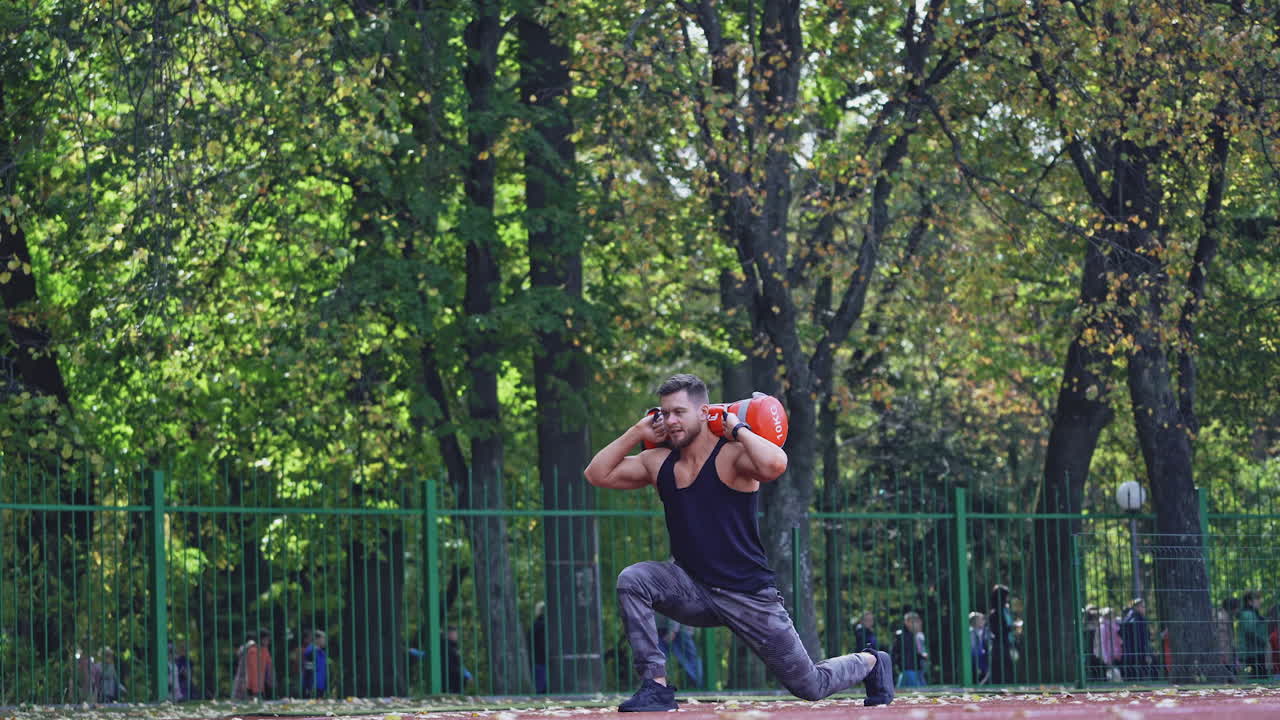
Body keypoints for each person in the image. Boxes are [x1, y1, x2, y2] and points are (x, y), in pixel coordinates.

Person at [584, 374, 893, 711]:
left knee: (810, 685)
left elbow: (776, 463)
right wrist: (636, 433)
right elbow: (596, 474)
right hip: (692, 588)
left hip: (748, 595)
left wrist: (737, 429)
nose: (671, 421)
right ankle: (655, 687)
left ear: (704, 412)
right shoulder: (657, 463)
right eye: (665, 413)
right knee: (634, 579)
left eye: (679, 412)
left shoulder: (731, 455)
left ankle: (871, 662)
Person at [658, 614, 703, 689]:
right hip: (665, 628)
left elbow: (675, 606)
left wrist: (673, 629)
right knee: (659, 661)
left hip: (678, 630)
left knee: (691, 662)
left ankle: (702, 687)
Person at [988, 584, 1015, 684]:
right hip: (999, 643)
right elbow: (997, 630)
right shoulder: (995, 612)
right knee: (1001, 666)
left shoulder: (1006, 610)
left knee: (1008, 666)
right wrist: (1011, 628)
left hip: (1007, 642)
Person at [1120, 598, 1153, 680]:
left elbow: (1120, 633)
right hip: (1140, 653)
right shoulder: (1140, 620)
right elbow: (1145, 638)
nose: (1144, 609)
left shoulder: (1126, 619)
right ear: (1137, 607)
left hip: (1128, 653)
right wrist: (1147, 653)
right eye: (1143, 606)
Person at [892, 612, 928, 687]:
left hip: (913, 669)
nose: (918, 624)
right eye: (915, 622)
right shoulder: (903, 636)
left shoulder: (914, 635)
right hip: (909, 669)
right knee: (919, 691)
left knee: (902, 692)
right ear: (907, 622)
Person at [1237, 591, 1268, 679]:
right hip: (1251, 654)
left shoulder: (1254, 613)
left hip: (1257, 652)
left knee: (1259, 676)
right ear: (1249, 601)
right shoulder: (1247, 614)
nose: (1260, 601)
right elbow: (1250, 632)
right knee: (1253, 677)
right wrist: (1263, 641)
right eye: (1257, 599)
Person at [242, 630, 274, 699]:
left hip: (261, 683)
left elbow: (269, 664)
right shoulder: (253, 651)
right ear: (261, 639)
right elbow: (253, 671)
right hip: (252, 685)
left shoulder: (265, 650)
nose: (268, 641)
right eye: (267, 639)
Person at [1096, 607, 1123, 682]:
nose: (1112, 616)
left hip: (1116, 653)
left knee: (1115, 671)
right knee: (1111, 672)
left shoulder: (1115, 626)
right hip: (1107, 654)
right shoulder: (1103, 627)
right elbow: (1102, 643)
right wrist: (1105, 657)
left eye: (1113, 614)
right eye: (1110, 615)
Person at [442, 626, 471, 694]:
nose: (456, 636)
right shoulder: (445, 645)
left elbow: (458, 662)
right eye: (453, 634)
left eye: (456, 634)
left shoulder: (454, 645)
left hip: (455, 674)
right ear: (447, 634)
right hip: (449, 674)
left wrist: (465, 672)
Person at [302, 630, 328, 697]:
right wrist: (308, 687)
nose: (325, 641)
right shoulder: (311, 651)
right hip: (313, 686)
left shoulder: (320, 652)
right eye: (324, 638)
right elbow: (308, 670)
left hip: (320, 686)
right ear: (317, 639)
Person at [529, 602, 547, 694]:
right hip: (545, 660)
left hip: (538, 660)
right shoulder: (547, 625)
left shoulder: (536, 626)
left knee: (540, 689)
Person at [969, 611, 991, 684]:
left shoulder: (986, 631)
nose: (984, 621)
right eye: (981, 619)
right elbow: (972, 648)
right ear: (975, 621)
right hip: (975, 656)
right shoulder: (970, 632)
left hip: (983, 656)